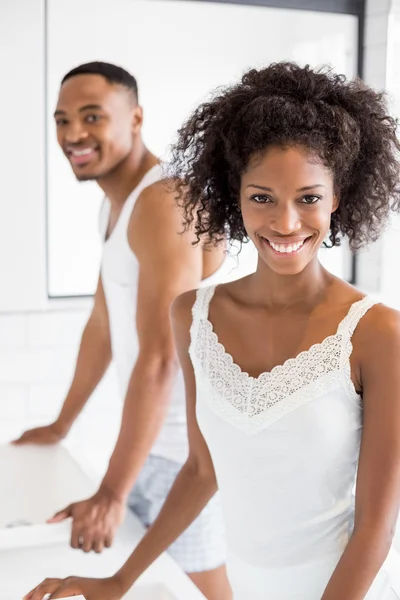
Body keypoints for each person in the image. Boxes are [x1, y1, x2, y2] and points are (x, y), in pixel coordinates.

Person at [24, 62, 400, 600]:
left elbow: (376, 529)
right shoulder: (193, 317)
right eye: (262, 197)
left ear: (338, 196)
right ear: (233, 194)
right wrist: (119, 581)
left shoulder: (378, 333)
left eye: (309, 198)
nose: (286, 223)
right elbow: (202, 470)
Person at [15, 61, 233, 600]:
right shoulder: (116, 207)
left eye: (92, 116)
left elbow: (161, 356)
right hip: (152, 447)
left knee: (202, 592)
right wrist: (62, 423)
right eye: (61, 120)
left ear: (135, 118)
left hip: (187, 454)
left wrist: (112, 491)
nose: (73, 134)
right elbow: (102, 324)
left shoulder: (162, 201)